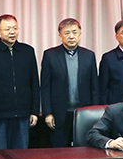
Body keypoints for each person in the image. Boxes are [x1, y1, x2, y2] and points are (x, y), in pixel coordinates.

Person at [0, 14, 40, 149]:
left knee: (21, 153)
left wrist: (35, 111)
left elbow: (34, 83)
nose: (12, 32)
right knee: (0, 153)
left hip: (23, 113)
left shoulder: (28, 51)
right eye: (7, 29)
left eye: (15, 28)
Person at [40, 18, 99, 147]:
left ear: (80, 34)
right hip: (59, 113)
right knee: (60, 150)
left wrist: (95, 112)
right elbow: (45, 87)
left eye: (74, 32)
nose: (71, 36)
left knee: (84, 150)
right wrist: (48, 113)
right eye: (67, 33)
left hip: (84, 113)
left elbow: (94, 87)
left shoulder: (89, 55)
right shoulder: (50, 55)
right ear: (60, 36)